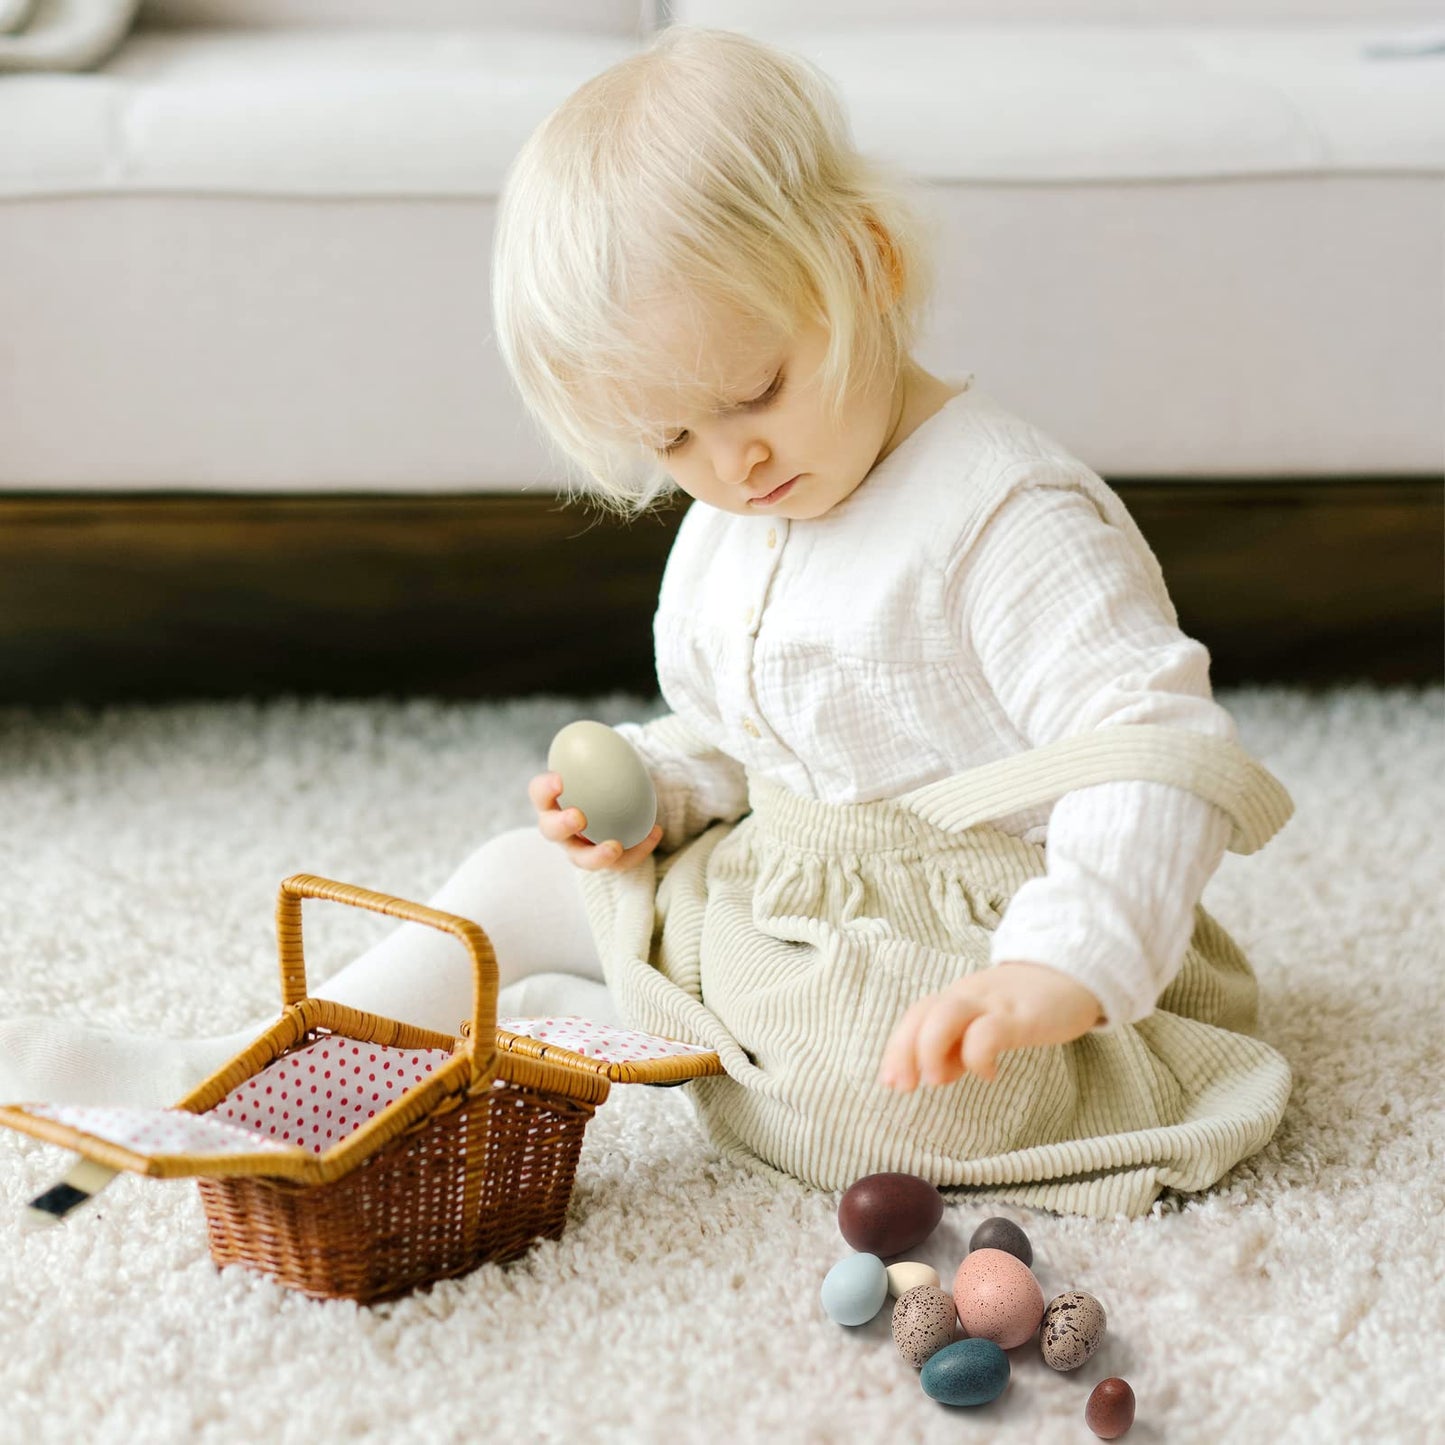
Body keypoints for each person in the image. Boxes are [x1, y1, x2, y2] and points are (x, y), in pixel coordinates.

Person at [0, 27, 1295, 1221]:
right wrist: (661, 792)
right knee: (526, 876)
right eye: (670, 435)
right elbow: (753, 745)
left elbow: (1150, 746)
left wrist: (1059, 968)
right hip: (793, 896)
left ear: (870, 266)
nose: (732, 462)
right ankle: (239, 1084)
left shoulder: (1001, 515)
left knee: (877, 1088)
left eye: (754, 391)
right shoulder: (738, 516)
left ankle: (627, 1007)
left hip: (964, 968)